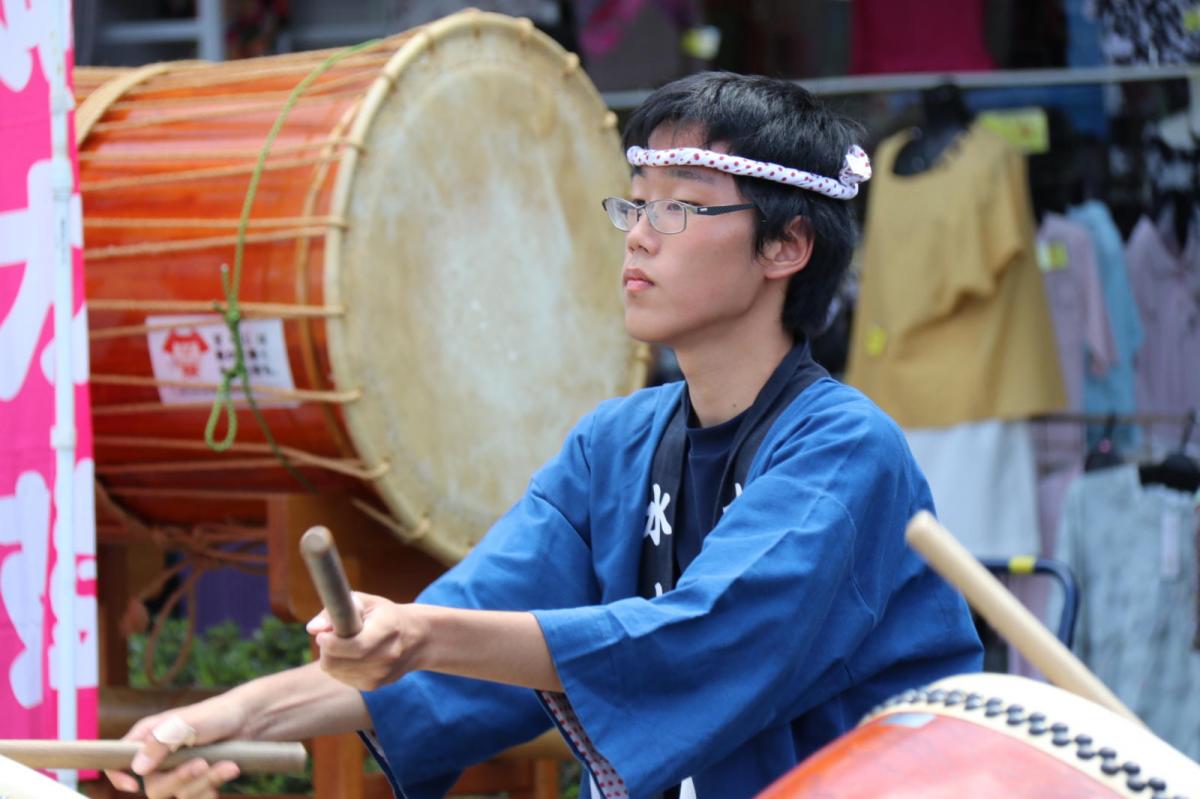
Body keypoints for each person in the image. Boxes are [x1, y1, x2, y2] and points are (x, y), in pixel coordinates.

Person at [107, 72, 982, 799]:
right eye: (634, 205)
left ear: (786, 245)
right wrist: (218, 720)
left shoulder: (843, 450)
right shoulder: (616, 443)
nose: (638, 237)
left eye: (679, 210)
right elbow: (460, 630)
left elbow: (690, 635)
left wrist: (423, 633)